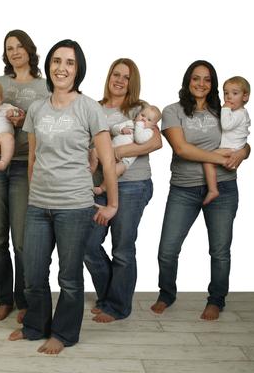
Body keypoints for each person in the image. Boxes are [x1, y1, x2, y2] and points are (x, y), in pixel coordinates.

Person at [8, 39, 118, 354]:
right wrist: (35, 193)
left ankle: (64, 333)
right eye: (57, 61)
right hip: (39, 204)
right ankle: (35, 326)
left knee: (69, 277)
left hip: (75, 205)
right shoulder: (37, 108)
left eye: (69, 62)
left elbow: (107, 159)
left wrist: (113, 203)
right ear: (49, 66)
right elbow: (32, 157)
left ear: (78, 69)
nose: (62, 68)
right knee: (33, 273)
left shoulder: (88, 107)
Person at [150, 60, 250, 321]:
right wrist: (218, 157)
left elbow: (243, 141)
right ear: (188, 81)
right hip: (184, 189)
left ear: (213, 84)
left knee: (219, 250)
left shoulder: (224, 110)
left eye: (207, 79)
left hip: (224, 187)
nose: (201, 84)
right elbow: (182, 149)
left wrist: (243, 152)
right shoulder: (173, 111)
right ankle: (167, 293)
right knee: (167, 249)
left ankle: (216, 300)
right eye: (196, 78)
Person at [0, 30, 49, 321]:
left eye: (19, 46)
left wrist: (23, 120)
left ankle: (25, 300)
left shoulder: (45, 87)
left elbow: (48, 124)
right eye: (9, 48)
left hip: (23, 166)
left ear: (30, 50)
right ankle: (4, 299)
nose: (15, 52)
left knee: (21, 240)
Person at [84, 58, 162, 323]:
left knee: (122, 247)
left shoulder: (141, 109)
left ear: (132, 82)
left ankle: (118, 306)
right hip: (100, 184)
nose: (118, 80)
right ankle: (108, 297)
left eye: (125, 77)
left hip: (132, 185)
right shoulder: (92, 107)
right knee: (88, 244)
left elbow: (156, 142)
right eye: (115, 74)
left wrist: (116, 151)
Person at [202, 76, 251, 205]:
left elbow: (226, 125)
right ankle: (227, 165)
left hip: (231, 149)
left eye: (235, 93)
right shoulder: (237, 113)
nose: (229, 97)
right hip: (233, 148)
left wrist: (225, 108)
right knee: (211, 160)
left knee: (207, 160)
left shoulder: (239, 113)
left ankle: (213, 190)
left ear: (245, 97)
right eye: (226, 93)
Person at [90, 102, 162, 179]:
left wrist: (139, 126)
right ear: (138, 114)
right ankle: (90, 172)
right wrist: (121, 129)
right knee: (94, 152)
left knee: (115, 171)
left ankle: (103, 187)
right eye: (142, 115)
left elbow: (139, 140)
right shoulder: (131, 123)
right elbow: (113, 129)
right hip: (112, 146)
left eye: (149, 120)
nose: (143, 119)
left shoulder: (148, 131)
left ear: (153, 125)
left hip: (126, 160)